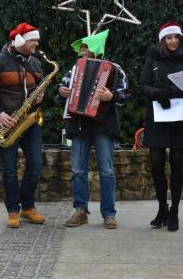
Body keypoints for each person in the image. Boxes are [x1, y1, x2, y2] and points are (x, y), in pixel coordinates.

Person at [57, 29, 129, 229]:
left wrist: (111, 96)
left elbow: (125, 95)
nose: (83, 52)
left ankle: (109, 213)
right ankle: (80, 211)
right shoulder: (74, 69)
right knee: (78, 170)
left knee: (106, 171)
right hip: (79, 125)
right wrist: (61, 91)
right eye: (82, 50)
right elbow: (62, 90)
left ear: (96, 50)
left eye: (86, 49)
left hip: (103, 126)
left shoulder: (115, 69)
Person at [0, 22, 46, 228]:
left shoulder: (35, 63)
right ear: (20, 41)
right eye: (33, 40)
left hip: (31, 122)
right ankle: (13, 210)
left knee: (35, 166)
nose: (36, 43)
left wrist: (40, 98)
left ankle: (28, 206)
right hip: (8, 122)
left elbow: (40, 89)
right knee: (9, 170)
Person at [139, 23, 183, 232]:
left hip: (179, 115)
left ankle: (175, 211)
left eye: (176, 38)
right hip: (157, 114)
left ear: (181, 39)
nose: (173, 41)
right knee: (156, 161)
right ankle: (162, 207)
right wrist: (157, 94)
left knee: (176, 162)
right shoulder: (153, 59)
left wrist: (170, 93)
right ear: (163, 40)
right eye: (168, 38)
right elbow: (143, 85)